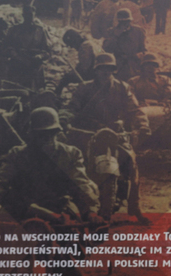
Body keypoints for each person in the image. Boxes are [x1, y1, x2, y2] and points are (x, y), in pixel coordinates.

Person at [61, 53, 150, 222]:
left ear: (114, 70)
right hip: (88, 133)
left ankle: (135, 206)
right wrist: (65, 119)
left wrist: (143, 125)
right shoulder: (83, 88)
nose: (105, 72)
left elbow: (135, 110)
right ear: (96, 70)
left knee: (132, 164)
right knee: (72, 163)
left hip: (115, 133)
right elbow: (71, 107)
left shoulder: (123, 87)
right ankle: (66, 202)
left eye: (109, 69)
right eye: (102, 68)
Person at [0, 107, 101, 223]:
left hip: (60, 207)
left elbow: (81, 183)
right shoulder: (18, 154)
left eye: (50, 133)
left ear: (56, 132)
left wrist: (91, 211)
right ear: (33, 134)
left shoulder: (70, 154)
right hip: (26, 209)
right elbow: (1, 181)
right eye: (40, 134)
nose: (46, 138)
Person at [4, 4, 51, 91]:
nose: (29, 17)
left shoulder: (40, 30)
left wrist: (40, 56)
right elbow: (6, 47)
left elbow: (47, 52)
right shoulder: (14, 30)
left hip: (34, 63)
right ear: (23, 16)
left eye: (31, 15)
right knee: (16, 89)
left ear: (34, 15)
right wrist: (16, 55)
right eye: (27, 15)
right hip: (18, 62)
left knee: (35, 91)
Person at [102, 8, 147, 81]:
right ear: (118, 21)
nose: (124, 24)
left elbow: (143, 50)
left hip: (134, 65)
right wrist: (115, 36)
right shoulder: (111, 32)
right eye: (121, 22)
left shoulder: (138, 31)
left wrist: (137, 56)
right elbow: (106, 49)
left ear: (130, 20)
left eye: (127, 21)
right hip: (118, 66)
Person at [55, 28, 103, 96]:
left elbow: (85, 68)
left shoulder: (84, 47)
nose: (73, 47)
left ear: (75, 41)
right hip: (99, 71)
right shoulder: (90, 42)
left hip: (94, 75)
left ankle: (56, 96)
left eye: (72, 45)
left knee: (66, 78)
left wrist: (70, 74)